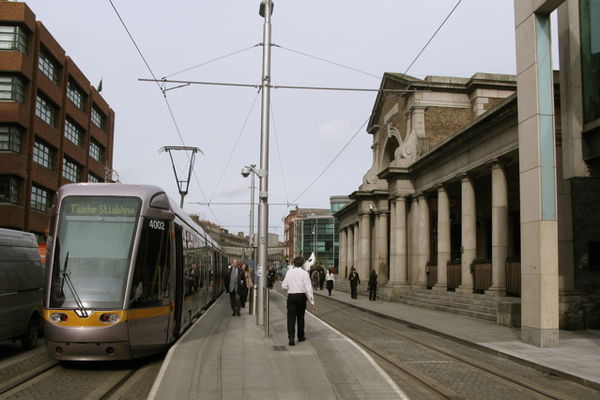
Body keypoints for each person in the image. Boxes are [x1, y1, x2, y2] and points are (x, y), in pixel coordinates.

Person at [281, 256, 316, 346]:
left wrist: (291, 287)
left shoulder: (289, 272)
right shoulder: (305, 274)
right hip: (301, 297)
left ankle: (291, 339)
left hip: (291, 296)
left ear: (294, 263)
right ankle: (300, 337)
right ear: (302, 264)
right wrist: (312, 302)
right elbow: (309, 289)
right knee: (301, 317)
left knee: (291, 318)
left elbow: (284, 286)